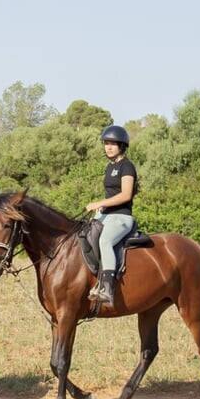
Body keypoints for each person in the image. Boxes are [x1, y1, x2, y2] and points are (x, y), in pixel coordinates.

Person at [83, 125, 137, 308]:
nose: (109, 147)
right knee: (84, 234)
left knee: (105, 241)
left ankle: (107, 288)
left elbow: (125, 195)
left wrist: (100, 203)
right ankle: (92, 281)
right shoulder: (109, 167)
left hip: (121, 218)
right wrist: (100, 212)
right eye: (106, 143)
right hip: (106, 215)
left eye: (113, 144)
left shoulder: (127, 166)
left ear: (121, 146)